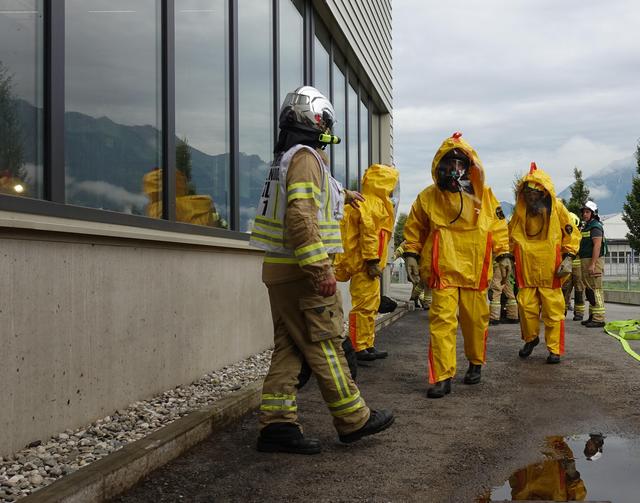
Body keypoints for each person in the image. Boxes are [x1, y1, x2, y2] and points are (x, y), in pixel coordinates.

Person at [249, 86, 394, 454]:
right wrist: (319, 269)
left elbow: (312, 195)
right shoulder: (306, 158)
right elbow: (300, 214)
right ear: (316, 120)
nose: (328, 129)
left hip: (280, 270)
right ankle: (353, 420)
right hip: (303, 273)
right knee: (326, 343)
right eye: (326, 122)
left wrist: (344, 193)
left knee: (288, 348)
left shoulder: (290, 157)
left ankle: (277, 427)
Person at [403, 132, 510, 398]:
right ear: (440, 166)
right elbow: (414, 229)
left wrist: (504, 254)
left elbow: (497, 226)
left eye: (460, 164)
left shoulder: (484, 195)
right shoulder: (428, 197)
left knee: (475, 322)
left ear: (469, 167)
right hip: (444, 269)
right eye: (449, 164)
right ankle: (442, 376)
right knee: (442, 322)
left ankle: (475, 362)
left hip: (475, 268)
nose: (455, 170)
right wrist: (411, 255)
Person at [508, 163, 580, 364]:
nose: (531, 197)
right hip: (527, 271)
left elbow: (571, 234)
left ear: (543, 193)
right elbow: (509, 235)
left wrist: (569, 257)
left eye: (534, 193)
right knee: (526, 309)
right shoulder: (520, 211)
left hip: (551, 272)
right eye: (528, 192)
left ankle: (554, 349)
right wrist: (504, 257)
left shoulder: (557, 208)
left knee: (553, 312)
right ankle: (531, 339)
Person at [334, 164, 400, 361]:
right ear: (384, 183)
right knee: (363, 307)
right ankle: (357, 347)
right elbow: (369, 235)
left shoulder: (374, 202)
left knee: (370, 306)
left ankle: (366, 344)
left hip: (368, 265)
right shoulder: (371, 204)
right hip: (365, 266)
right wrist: (372, 261)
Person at [508, 436, 587, 501]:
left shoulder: (520, 498)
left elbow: (513, 476)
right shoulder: (559, 498)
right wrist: (572, 475)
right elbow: (579, 497)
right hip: (553, 443)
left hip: (524, 441)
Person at [579, 200, 606, 328]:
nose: (584, 214)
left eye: (587, 212)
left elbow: (597, 246)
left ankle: (599, 318)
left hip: (593, 262)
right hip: (586, 261)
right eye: (583, 212)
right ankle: (592, 316)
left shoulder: (595, 226)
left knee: (596, 290)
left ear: (593, 213)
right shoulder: (587, 226)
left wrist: (593, 264)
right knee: (590, 290)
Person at [393, 241, 432, 310]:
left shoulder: (426, 240)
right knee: (418, 283)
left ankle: (414, 298)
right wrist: (393, 257)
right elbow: (401, 249)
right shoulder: (410, 241)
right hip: (415, 268)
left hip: (423, 268)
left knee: (422, 285)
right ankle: (424, 302)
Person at [562, 212, 585, 320]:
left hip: (578, 267)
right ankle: (562, 311)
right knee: (565, 289)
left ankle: (579, 313)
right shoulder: (564, 235)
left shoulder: (581, 236)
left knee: (579, 289)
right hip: (567, 266)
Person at [488, 256, 519, 325]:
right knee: (508, 289)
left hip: (499, 262)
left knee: (496, 289)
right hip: (509, 261)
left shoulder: (500, 246)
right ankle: (513, 316)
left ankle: (494, 318)